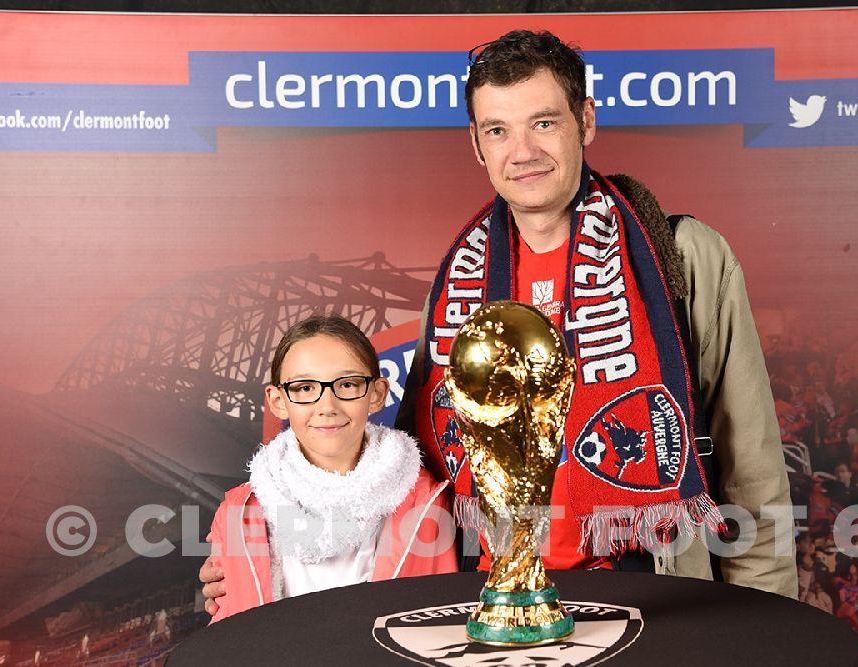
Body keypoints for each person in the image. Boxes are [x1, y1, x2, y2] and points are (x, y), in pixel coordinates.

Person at [201, 29, 795, 610]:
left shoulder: (681, 255)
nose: (523, 152)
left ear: (585, 121)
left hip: (642, 585)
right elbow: (393, 471)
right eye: (498, 130)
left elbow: (753, 470)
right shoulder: (462, 274)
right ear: (477, 144)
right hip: (479, 599)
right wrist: (260, 551)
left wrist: (768, 630)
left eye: (544, 122)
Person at [204, 314, 456, 622]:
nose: (327, 406)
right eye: (305, 388)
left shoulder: (428, 501)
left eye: (348, 384)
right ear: (277, 400)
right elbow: (227, 632)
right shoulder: (239, 513)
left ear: (377, 393)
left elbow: (442, 620)